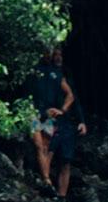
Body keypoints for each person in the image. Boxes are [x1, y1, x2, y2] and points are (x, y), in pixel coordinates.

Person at [26, 43, 74, 193]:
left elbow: (70, 95)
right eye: (47, 53)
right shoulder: (33, 70)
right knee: (38, 145)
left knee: (45, 147)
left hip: (49, 115)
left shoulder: (57, 73)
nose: (49, 55)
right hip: (34, 113)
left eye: (51, 53)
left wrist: (62, 110)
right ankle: (46, 179)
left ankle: (46, 182)